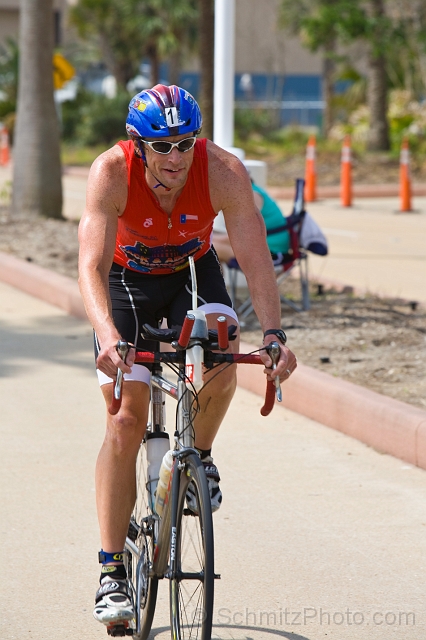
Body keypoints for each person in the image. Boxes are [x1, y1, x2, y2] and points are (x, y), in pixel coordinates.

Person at [78, 84, 297, 628]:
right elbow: (91, 264)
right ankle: (111, 570)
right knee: (126, 418)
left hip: (190, 275)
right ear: (138, 144)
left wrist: (273, 333)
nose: (175, 157)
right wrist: (107, 336)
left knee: (224, 345)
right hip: (127, 281)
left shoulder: (221, 170)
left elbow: (253, 254)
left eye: (184, 143)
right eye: (162, 146)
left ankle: (198, 458)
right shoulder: (111, 172)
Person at [213, 181, 290, 263]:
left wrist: (212, 239)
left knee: (208, 248)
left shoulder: (252, 195)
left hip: (272, 253)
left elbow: (242, 236)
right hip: (265, 247)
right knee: (210, 249)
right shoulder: (251, 190)